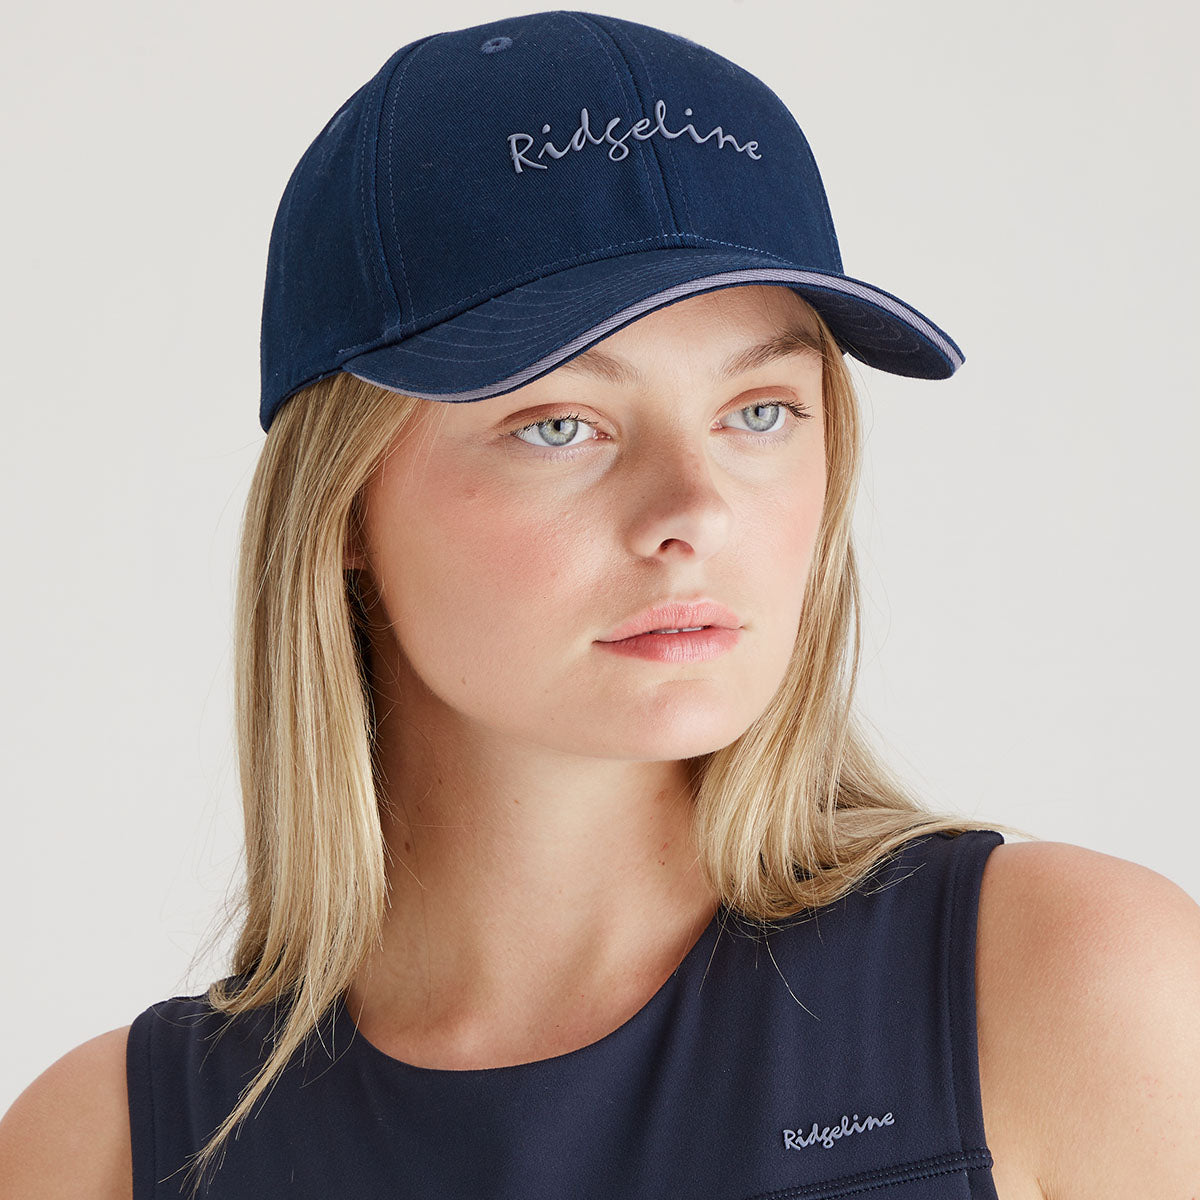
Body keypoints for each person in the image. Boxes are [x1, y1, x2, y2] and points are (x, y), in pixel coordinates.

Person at [2, 10, 1197, 1200]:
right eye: (561, 425)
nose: (695, 509)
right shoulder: (103, 1152)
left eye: (760, 410)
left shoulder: (1068, 993)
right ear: (347, 512)